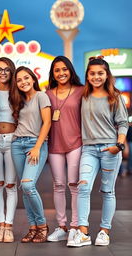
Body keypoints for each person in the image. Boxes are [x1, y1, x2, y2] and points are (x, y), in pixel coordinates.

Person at [68, 56, 128, 247]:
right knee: (83, 187)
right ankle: (83, 232)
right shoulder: (82, 96)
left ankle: (104, 231)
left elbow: (123, 123)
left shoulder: (115, 97)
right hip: (89, 149)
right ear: (87, 75)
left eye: (100, 73)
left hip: (110, 149)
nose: (96, 76)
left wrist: (118, 146)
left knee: (107, 191)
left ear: (107, 74)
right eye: (92, 73)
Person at [10, 66, 51, 243]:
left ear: (33, 79)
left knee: (28, 186)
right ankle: (32, 227)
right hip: (17, 144)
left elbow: (47, 122)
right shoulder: (18, 100)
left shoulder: (41, 96)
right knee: (24, 189)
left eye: (26, 78)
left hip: (36, 144)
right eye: (19, 80)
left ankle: (42, 225)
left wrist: (37, 146)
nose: (23, 82)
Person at [46, 56, 84, 244]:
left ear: (70, 70)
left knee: (74, 185)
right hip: (54, 145)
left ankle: (75, 227)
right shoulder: (47, 93)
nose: (61, 73)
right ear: (53, 73)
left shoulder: (81, 91)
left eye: (64, 69)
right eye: (57, 70)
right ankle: (62, 226)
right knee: (58, 185)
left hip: (76, 143)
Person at [0, 57, 18, 243]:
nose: (3, 72)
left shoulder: (18, 93)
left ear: (12, 72)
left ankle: (9, 226)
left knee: (11, 185)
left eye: (7, 69)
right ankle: (0, 224)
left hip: (12, 140)